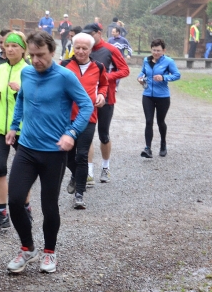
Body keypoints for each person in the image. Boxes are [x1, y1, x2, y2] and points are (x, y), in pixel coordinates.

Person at [4, 31, 93, 274]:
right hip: (27, 149)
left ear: (52, 52)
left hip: (54, 152)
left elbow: (86, 105)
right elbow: (22, 98)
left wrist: (72, 133)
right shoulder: (26, 72)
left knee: (49, 205)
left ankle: (49, 253)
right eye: (31, 55)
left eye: (40, 55)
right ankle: (27, 248)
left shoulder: (65, 76)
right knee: (14, 200)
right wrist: (14, 126)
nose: (35, 60)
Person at [0, 31, 32, 231]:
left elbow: (35, 100)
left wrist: (21, 90)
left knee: (22, 174)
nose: (10, 49)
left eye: (15, 46)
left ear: (23, 49)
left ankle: (26, 207)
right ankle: (2, 212)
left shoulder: (29, 71)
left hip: (22, 129)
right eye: (7, 45)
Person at [61, 33, 108, 209]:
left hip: (89, 117)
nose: (80, 51)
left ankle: (79, 194)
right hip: (66, 117)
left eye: (84, 48)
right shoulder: (65, 65)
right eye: (77, 48)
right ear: (73, 48)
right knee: (65, 154)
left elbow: (104, 84)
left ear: (91, 49)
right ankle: (75, 174)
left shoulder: (99, 67)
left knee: (82, 155)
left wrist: (102, 95)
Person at [82, 23, 129, 184]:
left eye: (91, 34)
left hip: (106, 98)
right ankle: (89, 172)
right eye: (86, 34)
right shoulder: (83, 50)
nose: (89, 37)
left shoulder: (110, 49)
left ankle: (105, 167)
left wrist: (105, 77)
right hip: (87, 99)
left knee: (103, 135)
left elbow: (125, 70)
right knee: (87, 135)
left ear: (99, 33)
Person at [137, 38, 180, 158]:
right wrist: (140, 78)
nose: (156, 53)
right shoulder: (146, 60)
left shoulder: (168, 61)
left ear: (164, 50)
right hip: (147, 96)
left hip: (163, 96)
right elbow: (142, 72)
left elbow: (177, 75)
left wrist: (164, 77)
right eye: (154, 50)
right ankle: (148, 149)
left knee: (160, 121)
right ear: (151, 50)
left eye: (158, 50)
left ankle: (163, 144)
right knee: (148, 121)